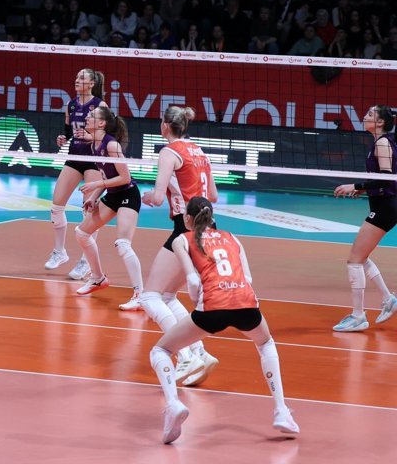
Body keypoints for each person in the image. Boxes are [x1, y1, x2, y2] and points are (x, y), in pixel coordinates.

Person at [149, 197, 299, 444]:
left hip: (213, 308)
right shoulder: (232, 238)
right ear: (211, 217)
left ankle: (173, 404)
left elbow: (193, 281)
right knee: (265, 344)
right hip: (246, 304)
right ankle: (281, 410)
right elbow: (248, 279)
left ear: (187, 219)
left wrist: (199, 303)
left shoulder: (181, 239)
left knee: (161, 351)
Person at [141, 105, 221, 387]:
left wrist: (148, 196)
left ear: (165, 126)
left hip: (184, 230)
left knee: (149, 297)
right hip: (208, 227)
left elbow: (157, 197)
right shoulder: (199, 151)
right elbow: (213, 195)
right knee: (167, 296)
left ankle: (185, 356)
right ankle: (199, 351)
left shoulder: (169, 152)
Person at [329, 105, 397, 332]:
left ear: (380, 122)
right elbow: (381, 179)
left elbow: (387, 179)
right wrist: (364, 188)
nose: (364, 117)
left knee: (355, 260)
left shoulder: (382, 143)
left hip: (385, 207)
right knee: (362, 256)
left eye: (370, 114)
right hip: (383, 205)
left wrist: (355, 185)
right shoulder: (380, 142)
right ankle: (388, 299)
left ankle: (358, 316)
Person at [71, 105, 143, 309]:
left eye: (92, 115)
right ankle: (98, 278)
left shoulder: (111, 145)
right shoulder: (94, 145)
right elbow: (106, 175)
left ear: (101, 123)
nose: (87, 117)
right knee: (82, 233)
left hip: (128, 194)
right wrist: (94, 197)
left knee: (123, 243)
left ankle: (140, 294)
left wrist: (96, 185)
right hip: (112, 195)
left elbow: (125, 178)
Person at [45, 68, 103, 278]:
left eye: (81, 78)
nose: (77, 80)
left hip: (94, 161)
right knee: (56, 206)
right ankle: (59, 252)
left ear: (92, 83)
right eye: (77, 77)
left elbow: (110, 134)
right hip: (74, 158)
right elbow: (69, 131)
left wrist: (90, 137)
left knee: (88, 211)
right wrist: (63, 138)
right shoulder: (71, 104)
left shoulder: (100, 105)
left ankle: (86, 261)